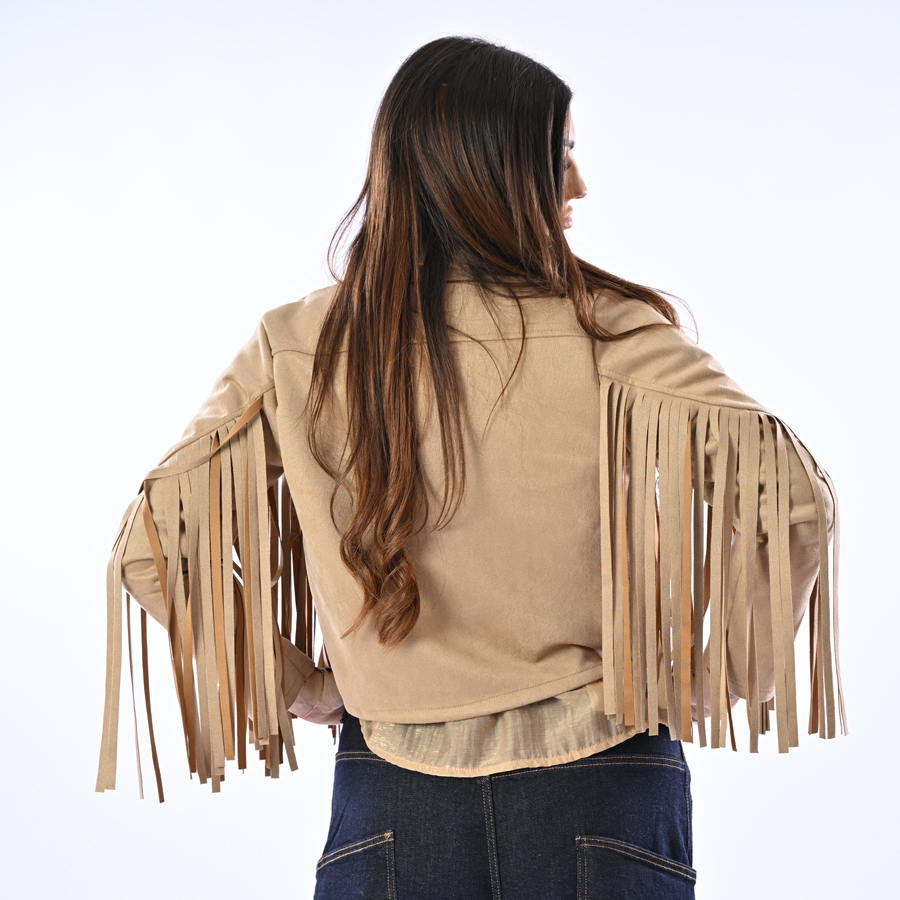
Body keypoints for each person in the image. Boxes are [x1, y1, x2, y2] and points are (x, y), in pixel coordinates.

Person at [96, 36, 845, 899]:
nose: (579, 185)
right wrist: (720, 680)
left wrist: (301, 686)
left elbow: (151, 549)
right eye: (559, 155)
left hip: (391, 790)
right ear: (488, 171)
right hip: (601, 781)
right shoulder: (608, 332)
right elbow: (795, 501)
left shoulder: (302, 344)